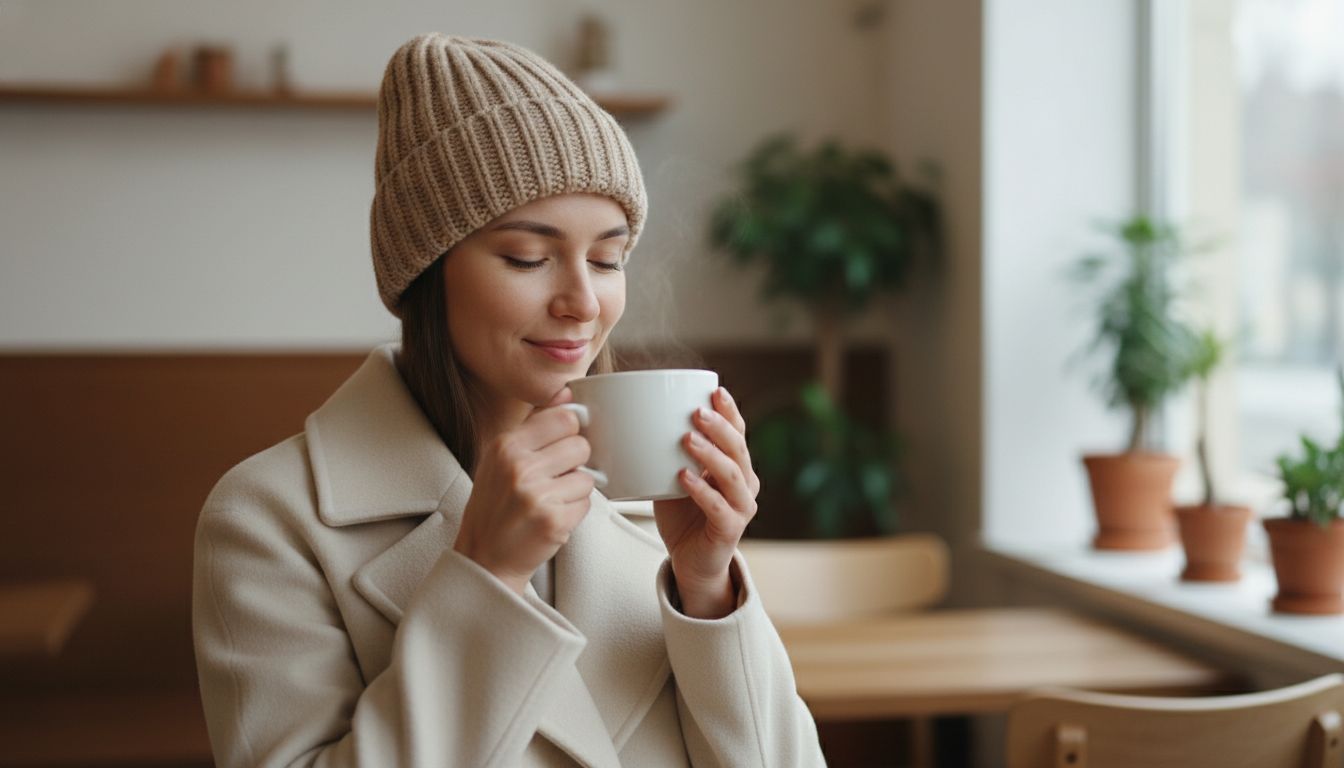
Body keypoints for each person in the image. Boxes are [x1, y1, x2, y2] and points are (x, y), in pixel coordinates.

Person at [192, 32, 826, 767]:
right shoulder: (267, 521)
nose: (583, 302)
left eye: (608, 258)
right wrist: (485, 580)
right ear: (428, 272)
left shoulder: (646, 497)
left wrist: (708, 589)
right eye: (528, 258)